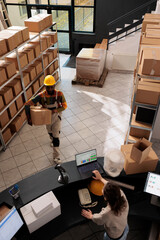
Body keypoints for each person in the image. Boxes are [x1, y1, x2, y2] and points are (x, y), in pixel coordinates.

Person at [25, 75, 67, 163]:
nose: (50, 89)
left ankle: (56, 156)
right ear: (45, 87)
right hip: (46, 117)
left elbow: (64, 106)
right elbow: (28, 103)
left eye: (52, 87)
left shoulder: (59, 94)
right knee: (49, 131)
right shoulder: (41, 95)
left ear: (54, 86)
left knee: (56, 134)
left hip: (56, 116)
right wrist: (29, 116)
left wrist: (56, 110)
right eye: (48, 87)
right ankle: (51, 139)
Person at [81, 170, 129, 240]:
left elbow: (99, 219)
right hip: (124, 228)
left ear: (105, 198)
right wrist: (100, 178)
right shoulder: (122, 195)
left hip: (114, 237)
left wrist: (91, 216)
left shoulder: (107, 213)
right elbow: (111, 186)